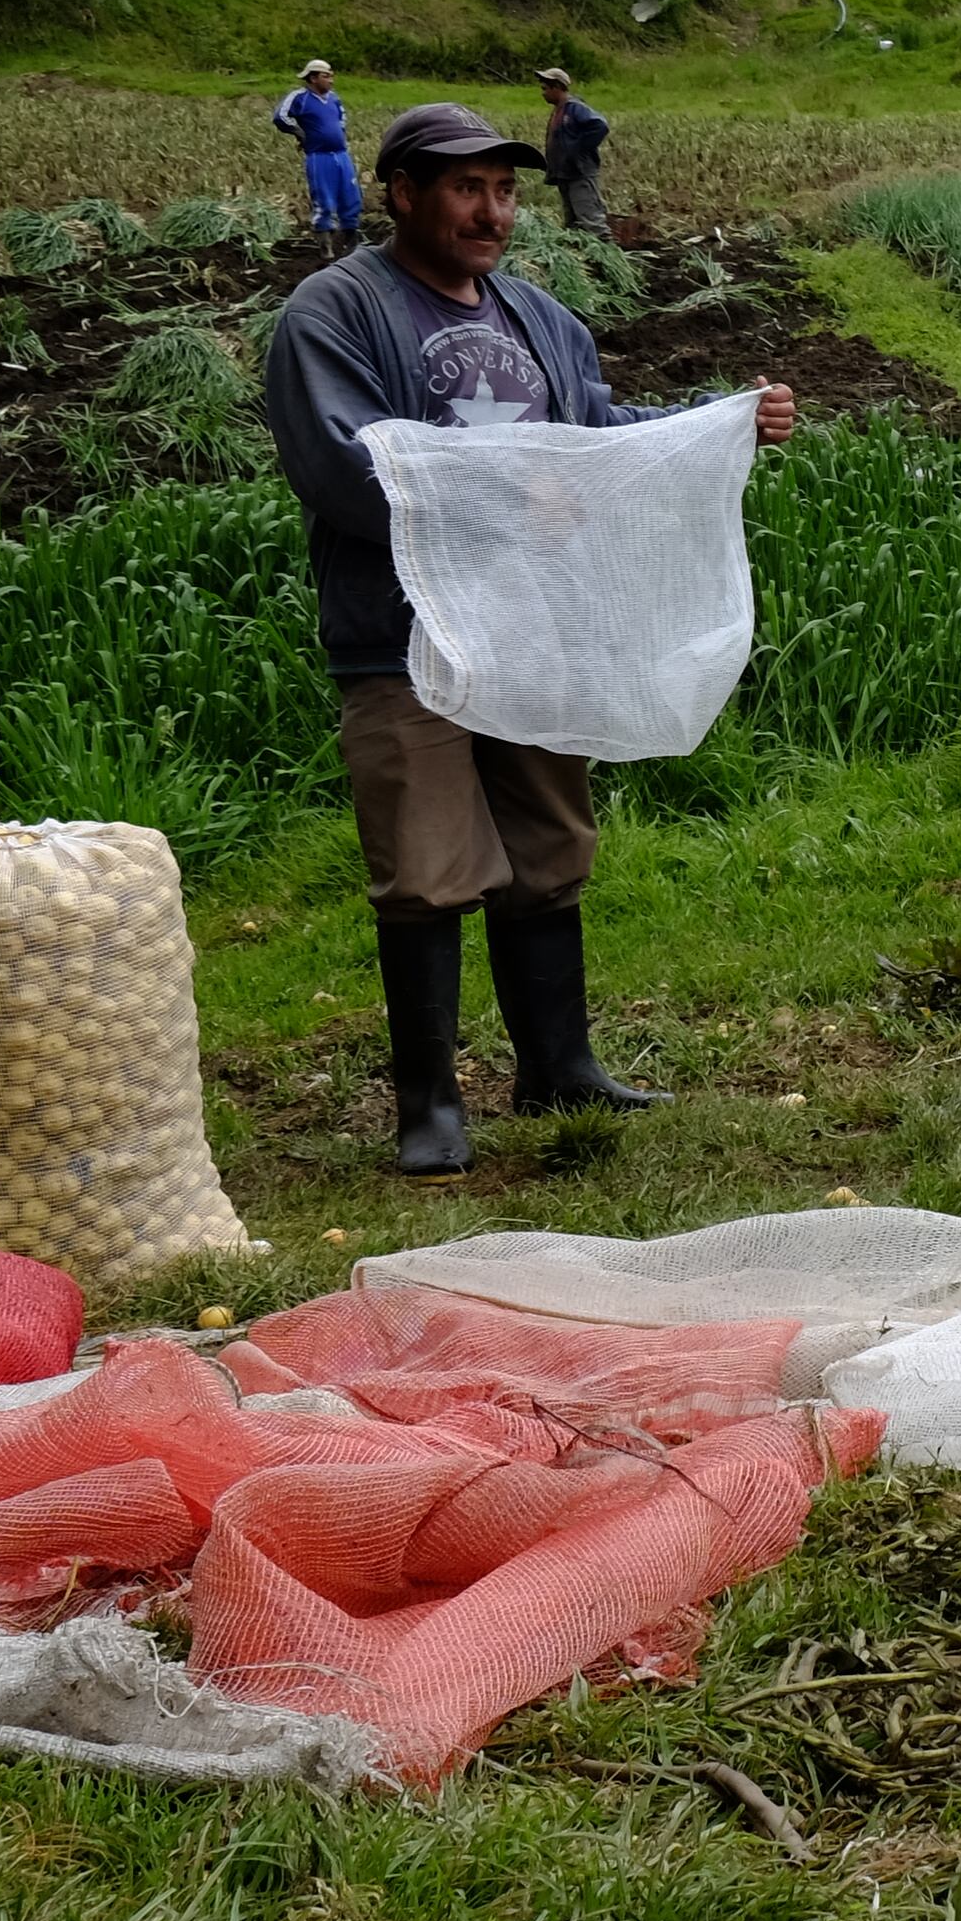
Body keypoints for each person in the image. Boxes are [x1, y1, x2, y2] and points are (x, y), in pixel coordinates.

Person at [261, 100, 798, 1178]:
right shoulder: (336, 314)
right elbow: (346, 468)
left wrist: (716, 415)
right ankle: (429, 1105)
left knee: (547, 851)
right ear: (403, 191)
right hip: (407, 639)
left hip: (536, 628)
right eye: (465, 187)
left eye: (505, 190)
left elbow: (595, 439)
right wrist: (518, 502)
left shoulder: (540, 320)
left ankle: (558, 1065)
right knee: (424, 864)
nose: (491, 210)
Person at [271, 58, 358, 247]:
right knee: (324, 198)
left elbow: (342, 119)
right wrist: (299, 133)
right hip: (319, 156)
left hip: (341, 154)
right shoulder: (300, 98)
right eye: (326, 76)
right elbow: (280, 117)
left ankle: (351, 239)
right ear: (313, 78)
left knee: (351, 196)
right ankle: (325, 242)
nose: (330, 81)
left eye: (331, 77)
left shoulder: (334, 98)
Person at [534, 64, 613, 236]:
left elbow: (600, 126)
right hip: (565, 174)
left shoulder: (575, 108)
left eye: (545, 88)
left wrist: (577, 149)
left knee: (591, 220)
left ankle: (609, 255)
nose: (543, 93)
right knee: (572, 224)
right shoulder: (559, 111)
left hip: (579, 173)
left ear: (557, 87)